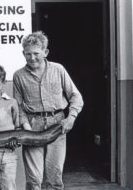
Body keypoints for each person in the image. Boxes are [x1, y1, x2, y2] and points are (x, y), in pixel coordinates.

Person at [13, 31, 84, 190]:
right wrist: (26, 127)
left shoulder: (58, 69)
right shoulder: (18, 76)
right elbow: (18, 105)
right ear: (23, 53)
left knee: (54, 177)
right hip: (32, 127)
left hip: (57, 125)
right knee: (33, 179)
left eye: (36, 53)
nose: (32, 58)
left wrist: (70, 118)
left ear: (45, 52)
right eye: (28, 54)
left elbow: (75, 96)